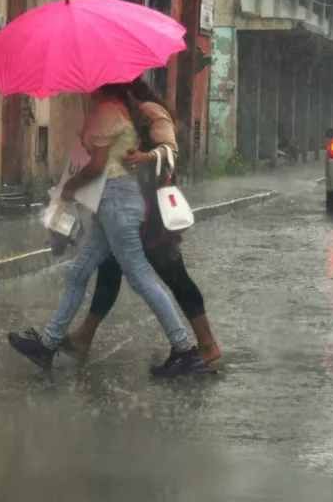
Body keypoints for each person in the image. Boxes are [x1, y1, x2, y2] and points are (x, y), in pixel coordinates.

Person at [6, 83, 206, 377]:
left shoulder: (109, 111)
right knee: (79, 272)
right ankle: (47, 345)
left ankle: (184, 349)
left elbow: (97, 166)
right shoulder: (121, 111)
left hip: (117, 202)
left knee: (140, 276)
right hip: (113, 203)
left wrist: (70, 187)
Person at [61, 79, 224, 369]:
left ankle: (206, 344)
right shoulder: (120, 112)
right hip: (128, 207)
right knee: (109, 270)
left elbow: (171, 151)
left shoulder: (148, 110)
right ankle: (83, 336)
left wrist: (148, 156)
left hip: (152, 211)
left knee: (172, 273)